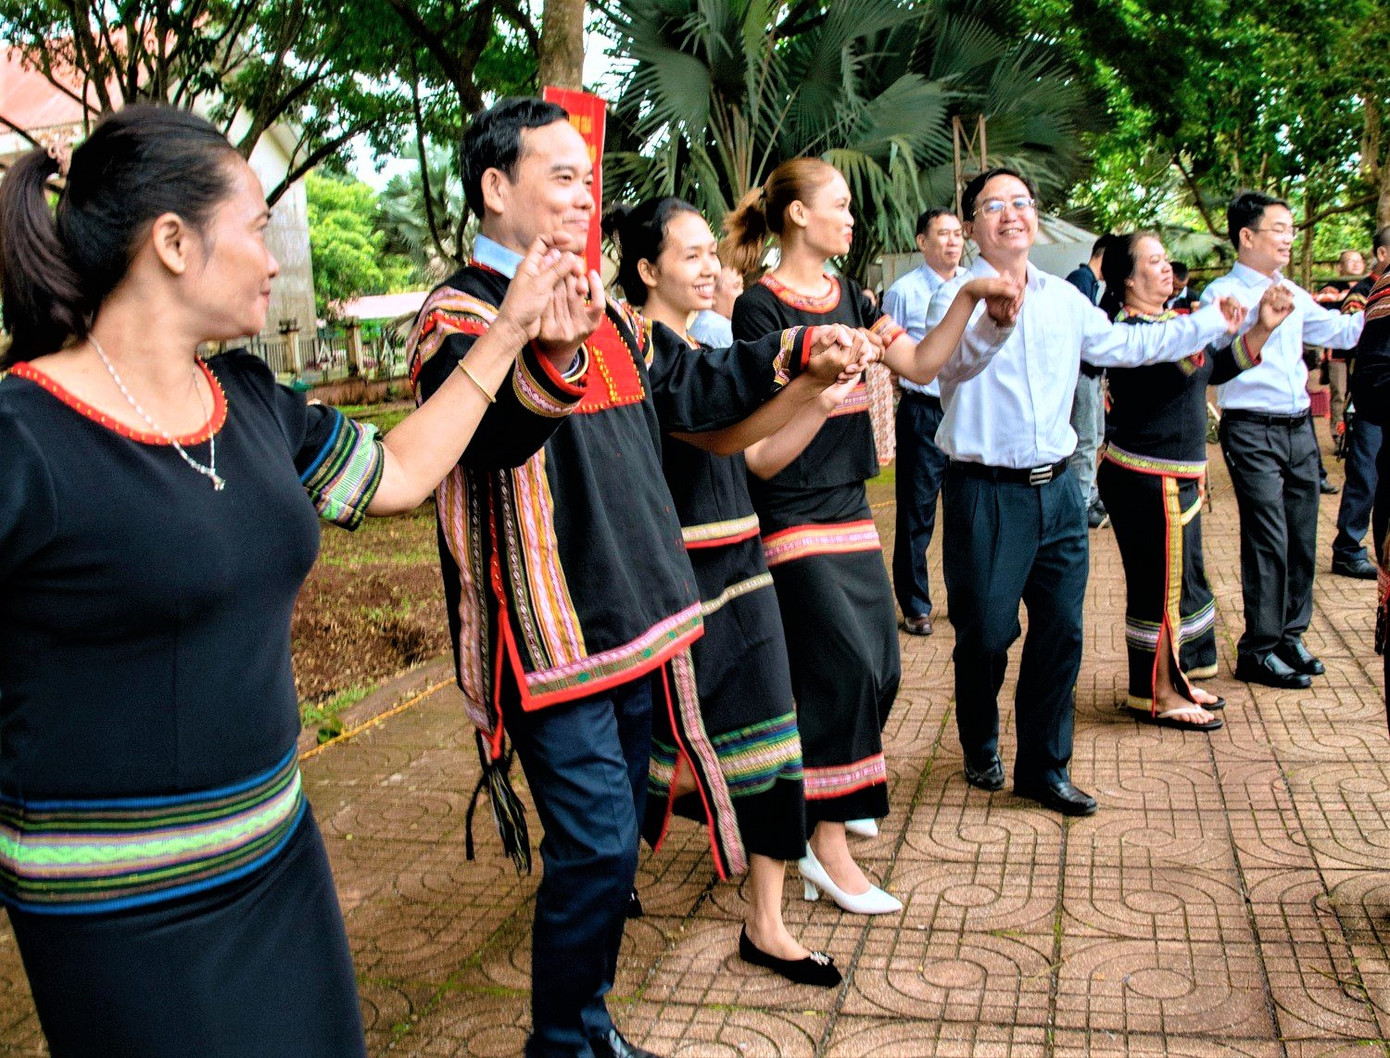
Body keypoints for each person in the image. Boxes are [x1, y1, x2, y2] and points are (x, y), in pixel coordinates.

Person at [0, 105, 591, 1058]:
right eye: (257, 225)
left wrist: (513, 330)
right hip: (116, 903)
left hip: (276, 856)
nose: (274, 258)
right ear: (173, 243)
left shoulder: (247, 401)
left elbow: (397, 474)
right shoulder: (26, 432)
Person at [407, 101, 868, 1058]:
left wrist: (796, 353)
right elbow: (487, 439)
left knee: (611, 852)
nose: (587, 196)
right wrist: (551, 348)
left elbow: (694, 393)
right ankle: (568, 1042)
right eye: (562, 177)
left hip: (638, 625)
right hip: (547, 644)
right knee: (599, 848)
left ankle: (586, 1025)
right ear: (497, 190)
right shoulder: (455, 318)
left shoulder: (613, 312)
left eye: (589, 178)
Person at [722, 157, 1022, 907]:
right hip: (790, 511)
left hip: (850, 506)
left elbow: (920, 362)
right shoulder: (760, 309)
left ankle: (821, 806)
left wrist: (973, 303)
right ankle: (825, 848)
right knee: (843, 668)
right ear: (798, 215)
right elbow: (758, 449)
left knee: (882, 666)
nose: (852, 218)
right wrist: (818, 387)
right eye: (840, 205)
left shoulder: (853, 296)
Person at [603, 196, 875, 987]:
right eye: (689, 255)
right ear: (647, 270)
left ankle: (768, 922)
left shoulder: (700, 345)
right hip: (675, 581)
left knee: (773, 740)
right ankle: (607, 871)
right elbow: (713, 425)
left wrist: (818, 392)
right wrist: (799, 358)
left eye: (709, 254)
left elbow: (748, 453)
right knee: (643, 749)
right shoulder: (642, 352)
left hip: (743, 565)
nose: (710, 267)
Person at [922, 167, 1242, 816]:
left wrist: (1208, 323)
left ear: (1035, 217)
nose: (1011, 213)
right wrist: (994, 322)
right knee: (985, 634)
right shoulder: (954, 296)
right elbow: (948, 367)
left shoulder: (1068, 301)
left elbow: (1124, 345)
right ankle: (980, 736)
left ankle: (1045, 767)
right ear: (974, 226)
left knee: (1063, 631)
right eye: (993, 206)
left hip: (1061, 492)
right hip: (985, 492)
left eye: (1021, 202)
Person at [1097, 233, 1293, 729]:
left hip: (1172, 478)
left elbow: (1211, 369)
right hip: (1145, 478)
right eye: (1154, 261)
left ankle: (1174, 680)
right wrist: (1207, 332)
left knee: (1178, 585)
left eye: (1166, 260)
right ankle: (1158, 693)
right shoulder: (1130, 332)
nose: (1167, 268)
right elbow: (1170, 377)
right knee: (1157, 588)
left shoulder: (1172, 325)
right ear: (1127, 278)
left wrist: (1263, 328)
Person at [1202, 191, 1364, 690]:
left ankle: (1290, 634)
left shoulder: (1291, 290)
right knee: (1268, 536)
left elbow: (1343, 330)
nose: (1289, 237)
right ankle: (1258, 647)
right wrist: (1258, 322)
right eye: (1279, 228)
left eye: (1292, 229)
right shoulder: (1223, 293)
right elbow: (1212, 355)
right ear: (1246, 236)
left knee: (1301, 533)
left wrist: (1377, 302)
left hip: (1298, 427)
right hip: (1251, 426)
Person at [884, 207, 966, 637]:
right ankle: (915, 604)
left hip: (965, 412)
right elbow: (890, 352)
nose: (952, 242)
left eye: (957, 234)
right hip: (923, 412)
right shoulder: (903, 291)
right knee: (917, 511)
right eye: (942, 234)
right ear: (922, 242)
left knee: (965, 508)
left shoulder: (976, 285)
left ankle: (964, 596)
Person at [1330, 227, 1390, 579]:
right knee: (1365, 473)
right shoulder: (1368, 291)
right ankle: (1349, 546)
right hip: (1369, 395)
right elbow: (1357, 346)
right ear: (1381, 254)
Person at [1066, 235, 1113, 528]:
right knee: (1084, 441)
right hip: (1082, 374)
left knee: (1095, 438)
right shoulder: (1080, 279)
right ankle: (1080, 505)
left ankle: (1090, 495)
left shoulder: (1094, 283)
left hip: (1094, 375)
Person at [688, 260, 743, 346]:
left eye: (742, 286)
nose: (742, 292)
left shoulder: (700, 323)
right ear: (712, 294)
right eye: (736, 286)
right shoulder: (727, 332)